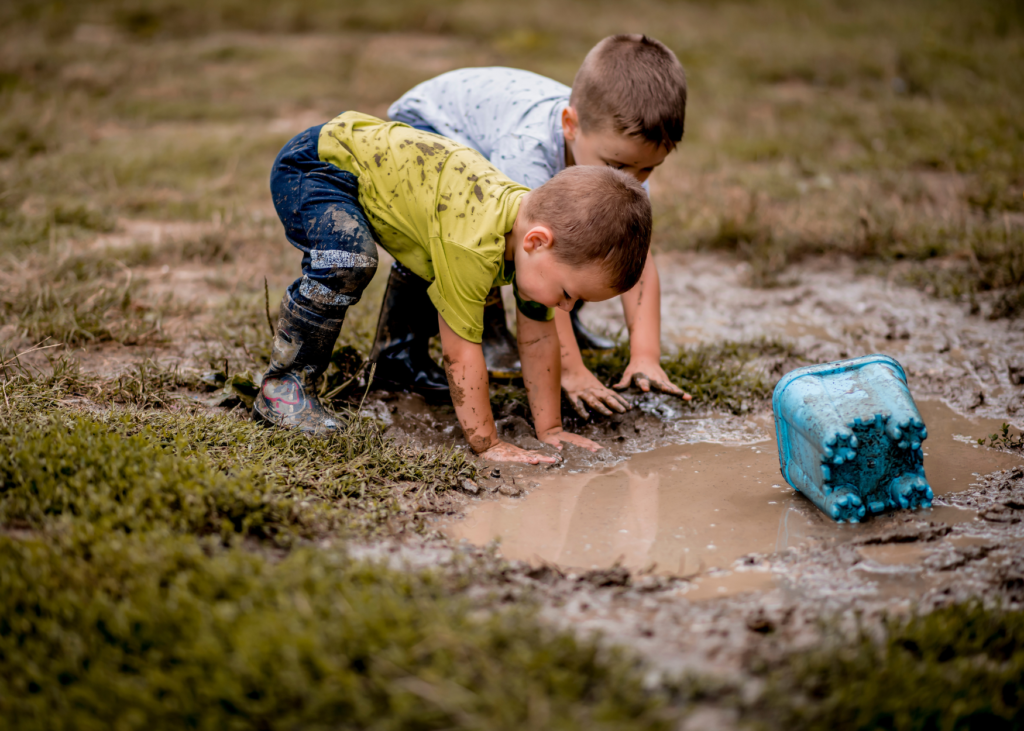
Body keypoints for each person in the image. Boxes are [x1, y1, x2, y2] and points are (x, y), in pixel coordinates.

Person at [253, 112, 652, 464]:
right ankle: (283, 385)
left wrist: (550, 431)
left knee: (432, 261)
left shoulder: (530, 239)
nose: (566, 307)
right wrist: (487, 443)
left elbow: (537, 339)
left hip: (381, 180)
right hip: (319, 166)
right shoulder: (473, 245)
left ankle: (397, 363)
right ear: (536, 241)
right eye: (569, 293)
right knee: (349, 259)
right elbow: (460, 353)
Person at [378, 34, 691, 416]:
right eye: (619, 166)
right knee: (479, 239)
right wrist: (571, 373)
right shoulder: (527, 152)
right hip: (431, 128)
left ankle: (568, 327)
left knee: (588, 242)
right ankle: (465, 338)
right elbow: (536, 253)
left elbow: (635, 258)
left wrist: (645, 356)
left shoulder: (620, 159)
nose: (635, 178)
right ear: (570, 126)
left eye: (648, 169)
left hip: (486, 130)